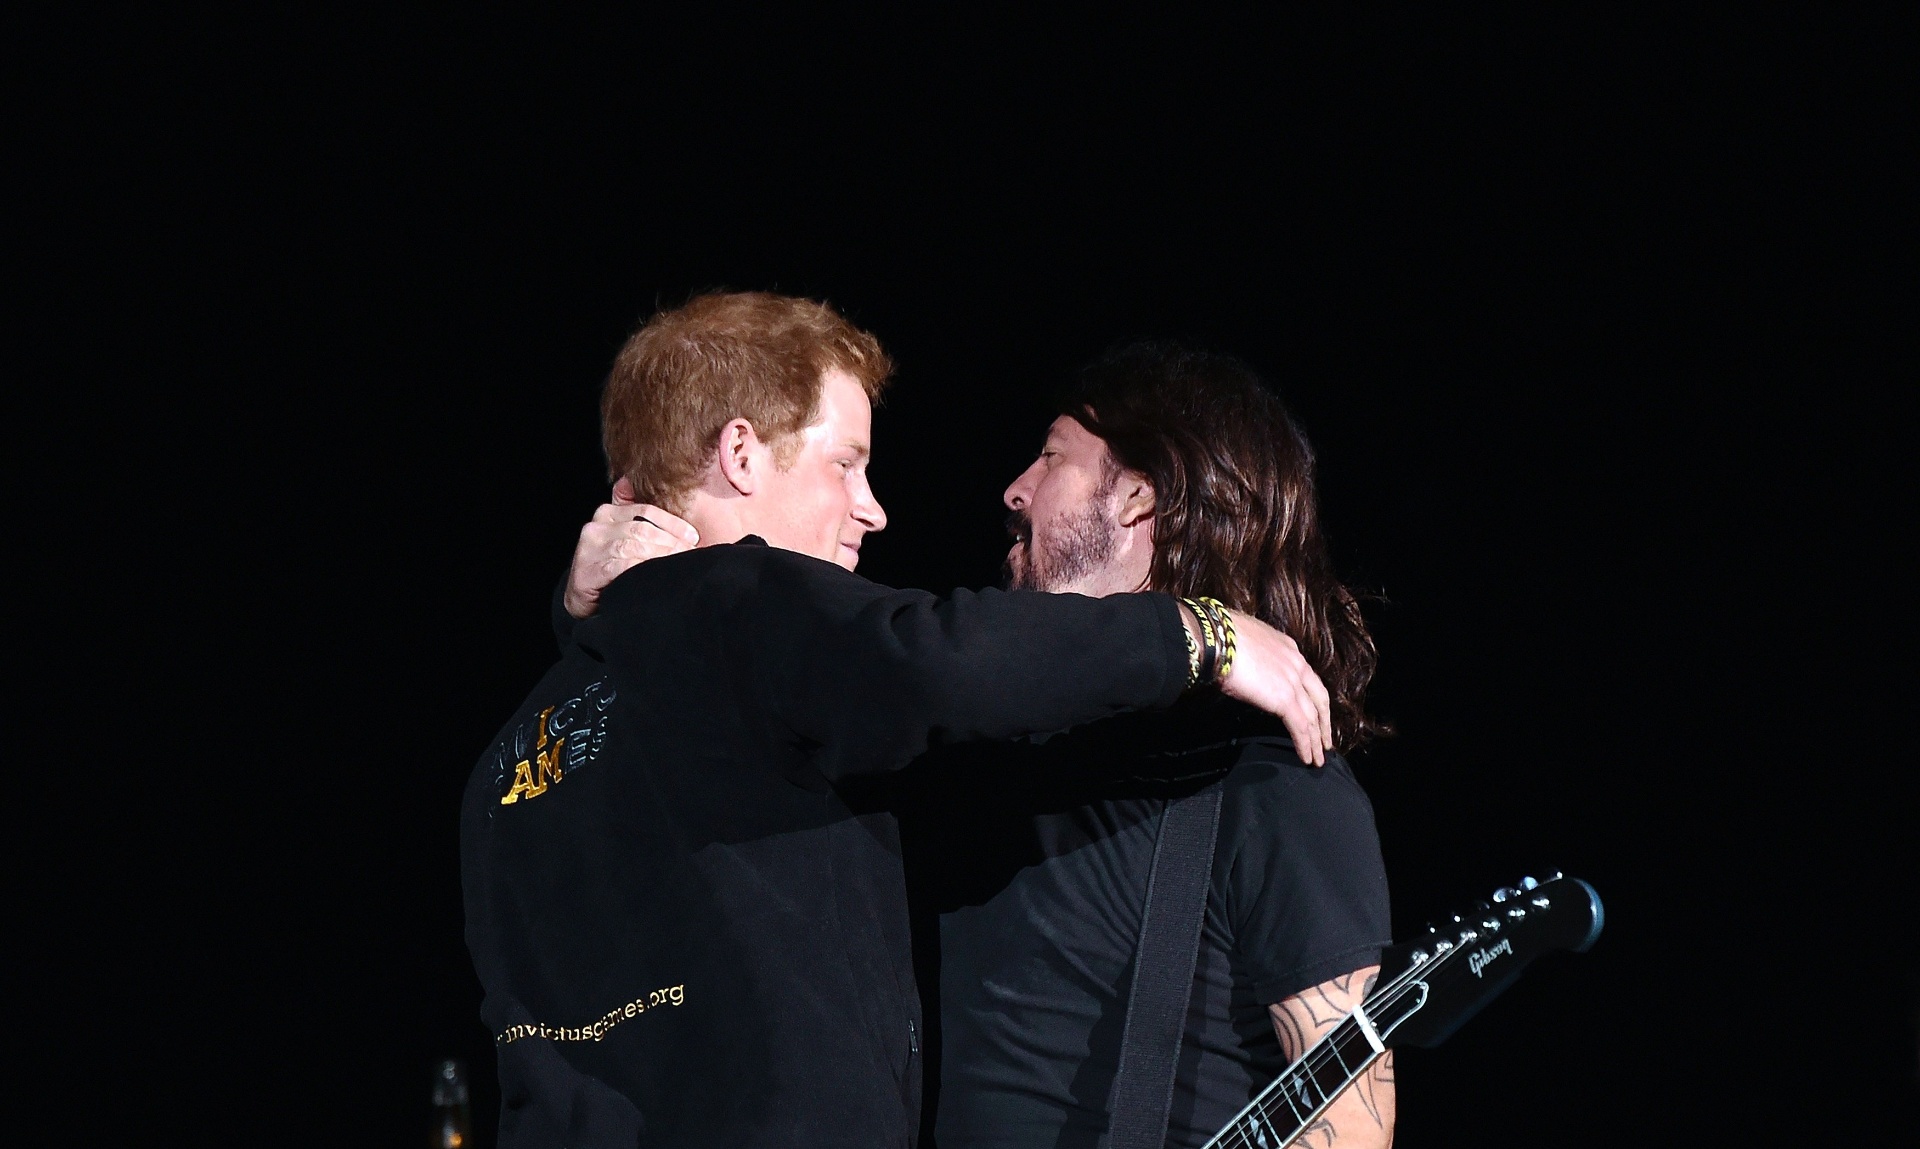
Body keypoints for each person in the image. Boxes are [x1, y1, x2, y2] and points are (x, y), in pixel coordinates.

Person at [462, 293, 1335, 1149]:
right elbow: (933, 661)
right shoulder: (745, 603)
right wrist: (1200, 632)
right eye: (846, 463)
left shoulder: (506, 761)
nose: (872, 507)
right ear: (739, 453)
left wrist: (589, 609)